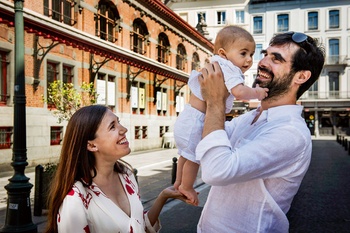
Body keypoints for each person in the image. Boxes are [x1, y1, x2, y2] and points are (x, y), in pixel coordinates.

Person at [177, 31, 325, 232]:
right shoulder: (252, 116)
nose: (262, 62)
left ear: (301, 76)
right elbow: (205, 141)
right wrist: (200, 100)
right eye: (265, 54)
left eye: (276, 59)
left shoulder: (290, 132)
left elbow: (216, 170)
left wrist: (215, 101)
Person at [45, 105, 188, 233]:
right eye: (112, 126)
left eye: (118, 122)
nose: (124, 129)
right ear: (92, 145)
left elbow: (139, 226)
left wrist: (163, 197)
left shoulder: (126, 176)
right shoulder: (76, 199)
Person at [174, 25, 269, 205]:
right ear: (224, 53)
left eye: (252, 54)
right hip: (197, 121)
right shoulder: (228, 68)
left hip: (187, 118)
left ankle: (178, 182)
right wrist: (257, 93)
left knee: (184, 155)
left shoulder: (216, 64)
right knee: (194, 157)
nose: (249, 60)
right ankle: (187, 186)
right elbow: (239, 92)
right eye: (243, 53)